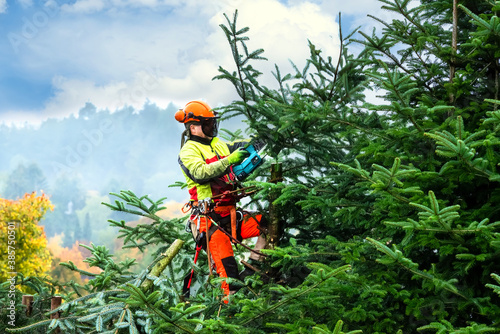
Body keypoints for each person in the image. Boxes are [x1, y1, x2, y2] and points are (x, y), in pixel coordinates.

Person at [175, 100, 268, 299]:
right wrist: (229, 161)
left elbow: (244, 146)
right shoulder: (188, 151)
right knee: (229, 278)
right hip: (210, 221)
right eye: (208, 123)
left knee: (268, 224)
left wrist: (266, 138)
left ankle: (254, 268)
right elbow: (200, 173)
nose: (213, 127)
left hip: (231, 215)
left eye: (213, 122)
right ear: (193, 127)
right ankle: (228, 313)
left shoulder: (219, 144)